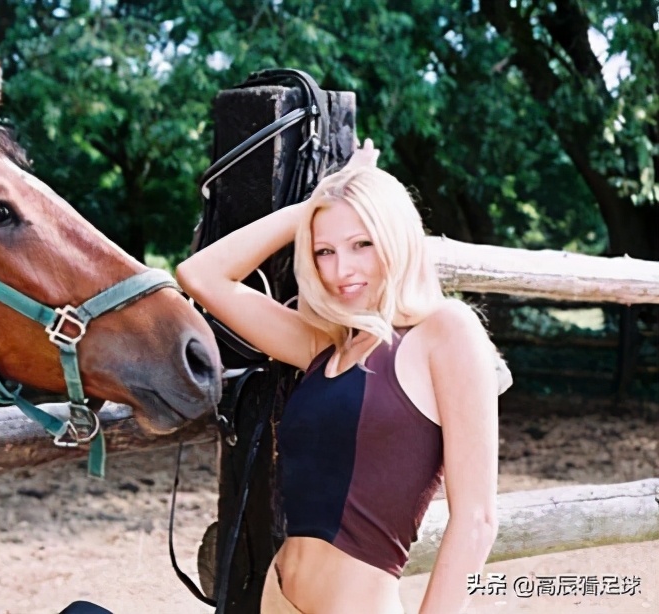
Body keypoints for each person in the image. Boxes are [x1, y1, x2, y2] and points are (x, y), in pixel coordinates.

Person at [176, 139, 508, 614]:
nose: (340, 270)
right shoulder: (325, 344)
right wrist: (313, 207)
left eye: (362, 245)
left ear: (397, 239)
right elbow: (201, 275)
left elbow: (476, 519)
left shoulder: (446, 331)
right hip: (277, 601)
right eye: (324, 251)